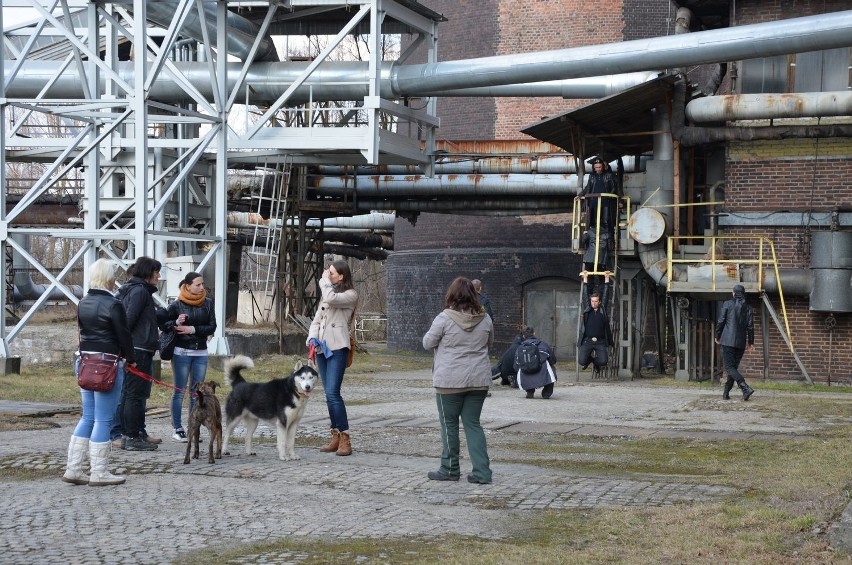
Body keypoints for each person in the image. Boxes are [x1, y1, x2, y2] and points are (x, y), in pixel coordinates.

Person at [63, 258, 137, 486]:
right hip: (107, 364)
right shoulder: (114, 304)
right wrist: (131, 359)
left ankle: (74, 469)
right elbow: (123, 335)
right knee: (104, 419)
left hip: (85, 361)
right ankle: (99, 472)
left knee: (87, 416)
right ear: (110, 278)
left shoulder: (83, 302)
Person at [422, 277, 493, 484]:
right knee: (473, 424)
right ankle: (482, 472)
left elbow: (427, 343)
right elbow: (490, 343)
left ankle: (450, 469)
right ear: (474, 294)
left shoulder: (444, 318)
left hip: (449, 381)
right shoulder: (485, 319)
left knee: (449, 424)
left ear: (451, 295)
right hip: (478, 380)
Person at [308, 259, 358, 457]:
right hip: (322, 348)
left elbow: (329, 297)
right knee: (328, 395)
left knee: (333, 392)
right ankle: (335, 434)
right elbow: (317, 319)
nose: (327, 275)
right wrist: (312, 337)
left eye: (331, 273)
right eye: (327, 272)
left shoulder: (350, 294)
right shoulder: (328, 293)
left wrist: (323, 282)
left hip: (337, 347)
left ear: (341, 276)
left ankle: (345, 436)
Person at [112, 257, 162, 452]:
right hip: (138, 350)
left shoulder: (136, 290)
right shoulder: (140, 291)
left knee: (137, 394)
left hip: (141, 348)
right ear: (147, 272)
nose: (159, 275)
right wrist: (128, 350)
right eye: (156, 272)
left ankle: (136, 431)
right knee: (133, 395)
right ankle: (131, 435)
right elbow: (129, 321)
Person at [161, 271, 217, 442]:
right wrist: (176, 323)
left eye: (202, 284)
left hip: (201, 352)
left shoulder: (208, 303)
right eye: (198, 285)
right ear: (187, 285)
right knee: (179, 391)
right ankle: (177, 428)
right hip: (181, 352)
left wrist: (192, 329)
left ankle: (194, 427)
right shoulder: (177, 304)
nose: (201, 288)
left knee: (196, 392)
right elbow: (164, 324)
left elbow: (212, 326)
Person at [579, 157, 620, 276]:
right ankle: (590, 239)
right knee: (593, 222)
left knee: (607, 222)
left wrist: (610, 197)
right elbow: (588, 188)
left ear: (603, 166)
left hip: (606, 202)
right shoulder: (592, 177)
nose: (597, 169)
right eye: (596, 168)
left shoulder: (609, 176)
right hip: (594, 203)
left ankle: (610, 240)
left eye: (599, 167)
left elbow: (614, 187)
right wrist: (580, 195)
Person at [715, 284, 755, 401]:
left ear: (734, 293)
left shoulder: (727, 304)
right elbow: (750, 327)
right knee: (733, 369)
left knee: (730, 368)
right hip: (740, 343)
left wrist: (717, 335)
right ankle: (726, 394)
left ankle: (745, 388)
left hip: (727, 341)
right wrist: (750, 342)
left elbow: (721, 321)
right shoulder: (748, 308)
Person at [578, 273, 613, 375]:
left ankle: (595, 363)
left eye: (596, 301)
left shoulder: (602, 310)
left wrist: (607, 279)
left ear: (599, 302)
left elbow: (606, 295)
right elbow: (585, 295)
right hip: (588, 341)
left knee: (603, 361)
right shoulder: (587, 310)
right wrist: (585, 279)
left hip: (600, 342)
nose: (593, 303)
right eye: (592, 301)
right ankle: (591, 360)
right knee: (582, 361)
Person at [512, 326, 557, 399]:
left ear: (523, 336)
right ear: (534, 333)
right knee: (552, 368)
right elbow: (553, 360)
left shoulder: (519, 348)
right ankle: (546, 393)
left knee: (521, 368)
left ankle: (529, 390)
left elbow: (515, 366)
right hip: (543, 375)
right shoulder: (543, 344)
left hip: (525, 376)